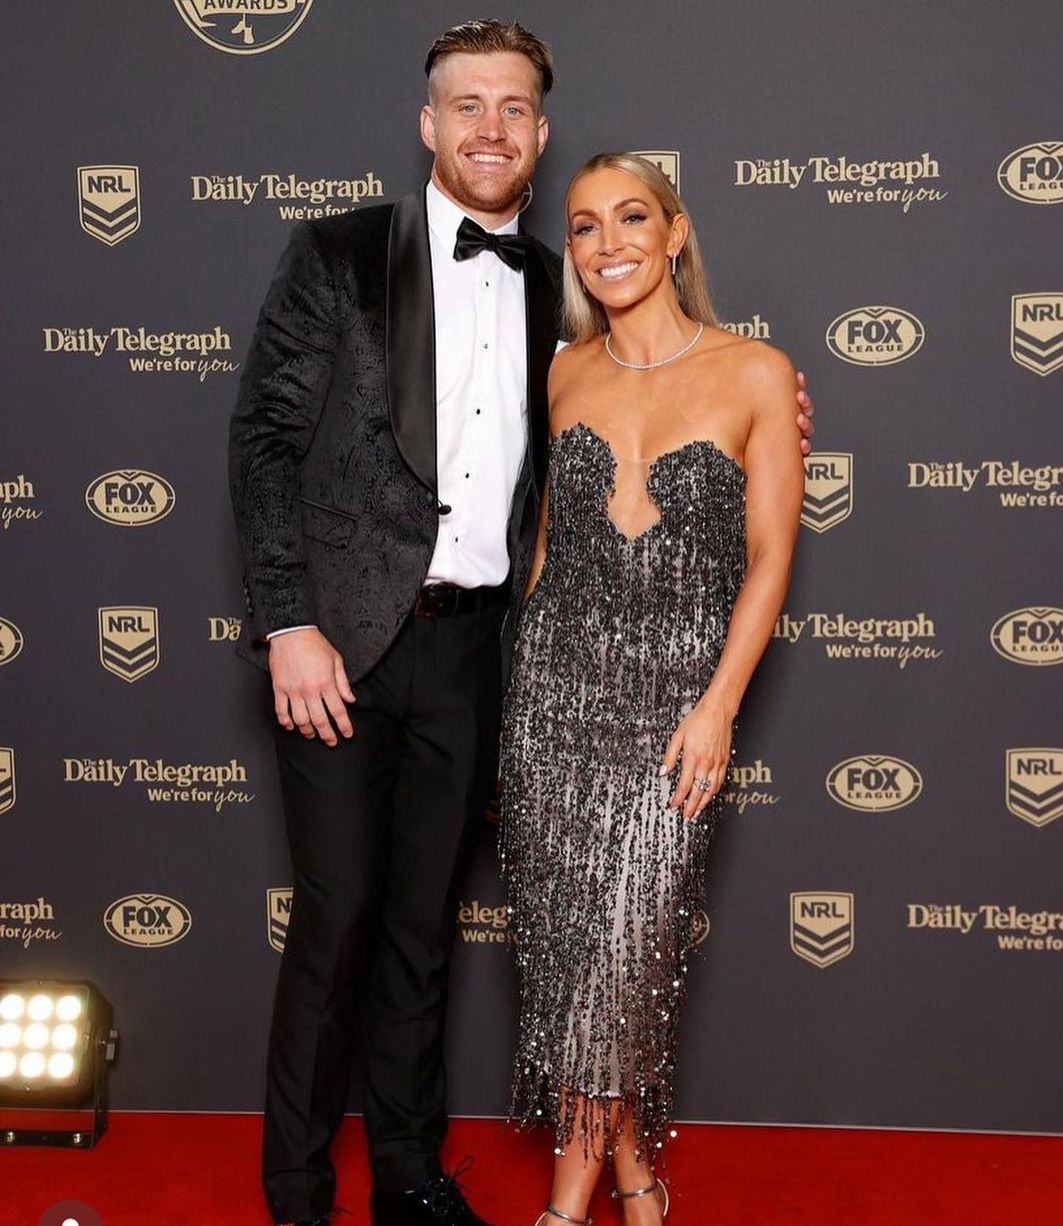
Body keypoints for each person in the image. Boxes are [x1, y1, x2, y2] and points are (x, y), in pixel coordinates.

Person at [229, 20, 814, 1226]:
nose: (489, 128)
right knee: (335, 923)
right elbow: (265, 440)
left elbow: (655, 407)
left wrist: (774, 402)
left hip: (482, 653)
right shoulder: (339, 252)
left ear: (539, 135)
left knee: (423, 933)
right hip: (339, 649)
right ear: (429, 124)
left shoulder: (564, 290)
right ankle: (296, 1196)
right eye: (468, 105)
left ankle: (408, 1177)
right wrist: (287, 621)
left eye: (513, 109)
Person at [500, 153, 805, 1226]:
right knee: (577, 960)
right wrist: (516, 704)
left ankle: (563, 1209)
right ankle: (631, 1187)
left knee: (627, 949)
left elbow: (770, 558)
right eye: (584, 226)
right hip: (554, 698)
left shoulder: (757, 371)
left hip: (676, 705)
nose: (608, 243)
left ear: (674, 233)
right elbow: (545, 551)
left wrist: (718, 704)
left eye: (632, 217)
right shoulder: (561, 372)